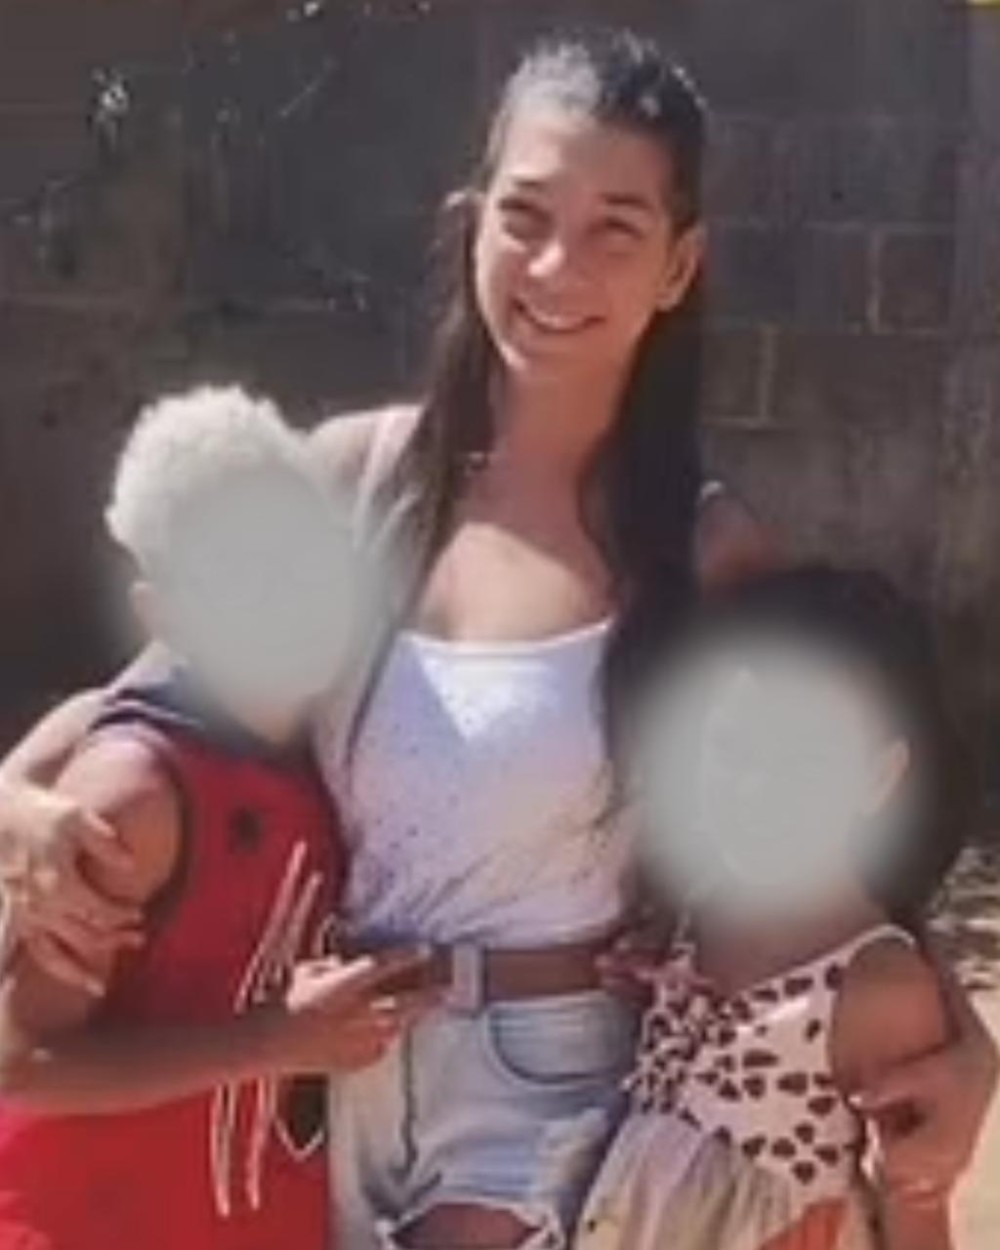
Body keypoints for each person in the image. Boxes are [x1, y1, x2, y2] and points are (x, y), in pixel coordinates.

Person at [0, 30, 993, 1250]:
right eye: (525, 215)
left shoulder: (707, 550)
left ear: (679, 266)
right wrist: (17, 797)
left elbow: (825, 833)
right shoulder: (352, 480)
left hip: (549, 1086)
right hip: (315, 1064)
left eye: (616, 228)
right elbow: (153, 699)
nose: (558, 265)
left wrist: (957, 1037)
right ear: (469, 223)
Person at [0, 387, 430, 1250]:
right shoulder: (133, 798)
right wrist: (272, 1041)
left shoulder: (326, 731)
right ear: (164, 611)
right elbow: (20, 1065)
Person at [577, 564, 975, 1250]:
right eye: (731, 749)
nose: (754, 789)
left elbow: (916, 1204)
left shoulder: (875, 987)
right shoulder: (695, 916)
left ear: (877, 778)